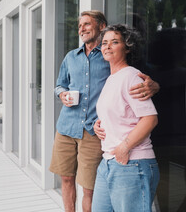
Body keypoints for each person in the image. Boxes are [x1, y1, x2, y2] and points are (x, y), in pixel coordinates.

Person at [49, 11, 160, 212]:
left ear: (101, 26)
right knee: (66, 178)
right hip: (70, 127)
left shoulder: (116, 63)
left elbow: (139, 83)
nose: (81, 28)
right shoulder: (74, 59)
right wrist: (62, 94)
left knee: (89, 189)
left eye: (86, 24)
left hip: (104, 140)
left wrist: (154, 85)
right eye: (79, 25)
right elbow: (60, 85)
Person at [92, 24, 160, 212]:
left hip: (132, 162)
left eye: (115, 42)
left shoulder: (131, 76)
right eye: (104, 43)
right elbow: (118, 113)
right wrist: (98, 124)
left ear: (127, 47)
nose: (107, 46)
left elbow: (150, 118)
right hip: (108, 162)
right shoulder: (111, 79)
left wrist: (124, 147)